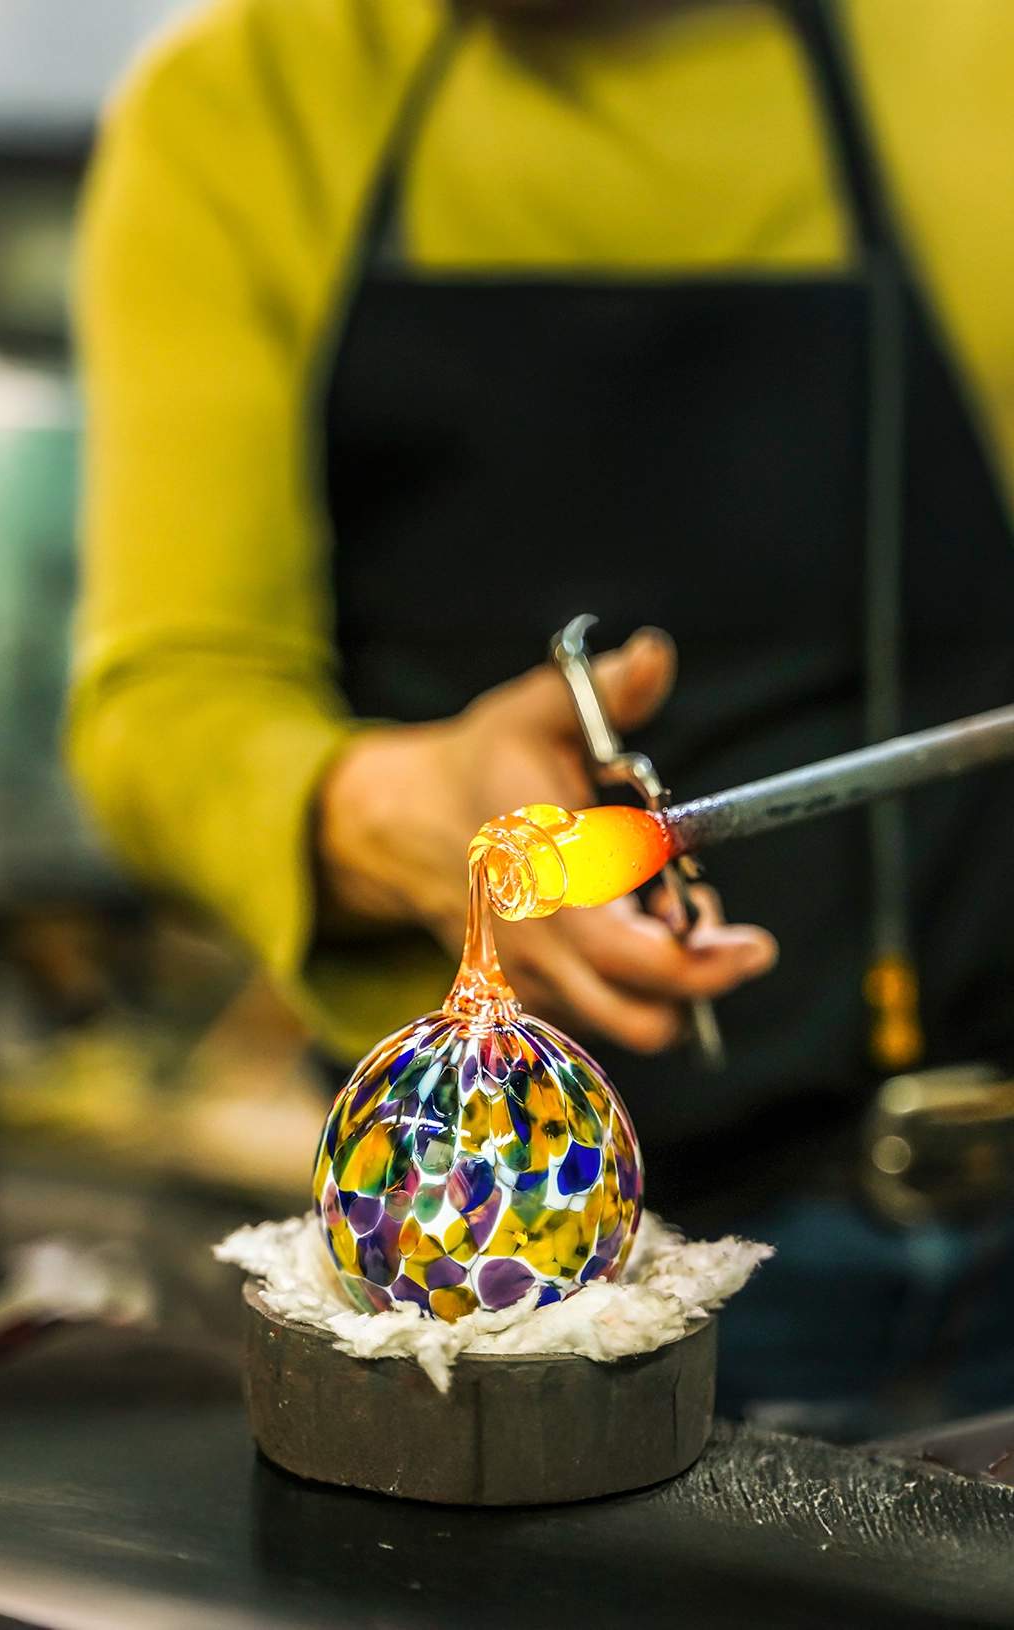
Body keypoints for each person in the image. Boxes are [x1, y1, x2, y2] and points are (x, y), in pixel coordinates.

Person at [70, 0, 1014, 1428]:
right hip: (540, 1310)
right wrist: (388, 806)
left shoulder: (968, 52)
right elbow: (165, 693)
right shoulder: (245, 103)